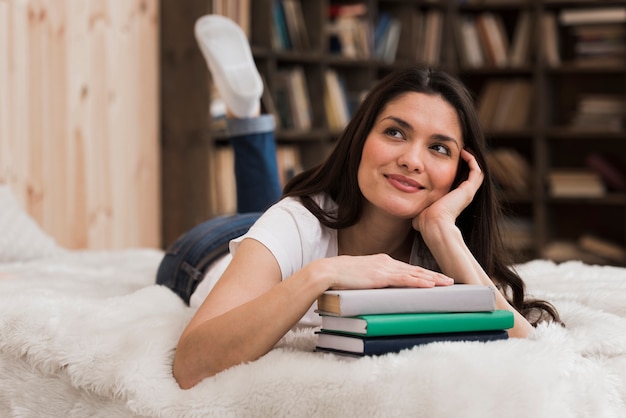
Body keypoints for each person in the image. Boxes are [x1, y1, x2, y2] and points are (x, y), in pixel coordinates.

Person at [157, 15, 560, 390]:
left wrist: (442, 232)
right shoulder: (296, 222)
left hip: (296, 224)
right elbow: (191, 366)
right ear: (360, 140)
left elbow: (529, 352)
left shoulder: (440, 246)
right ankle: (247, 118)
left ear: (460, 171)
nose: (411, 160)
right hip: (206, 252)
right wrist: (322, 274)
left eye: (439, 148)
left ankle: (248, 116)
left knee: (275, 211)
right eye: (396, 133)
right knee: (276, 214)